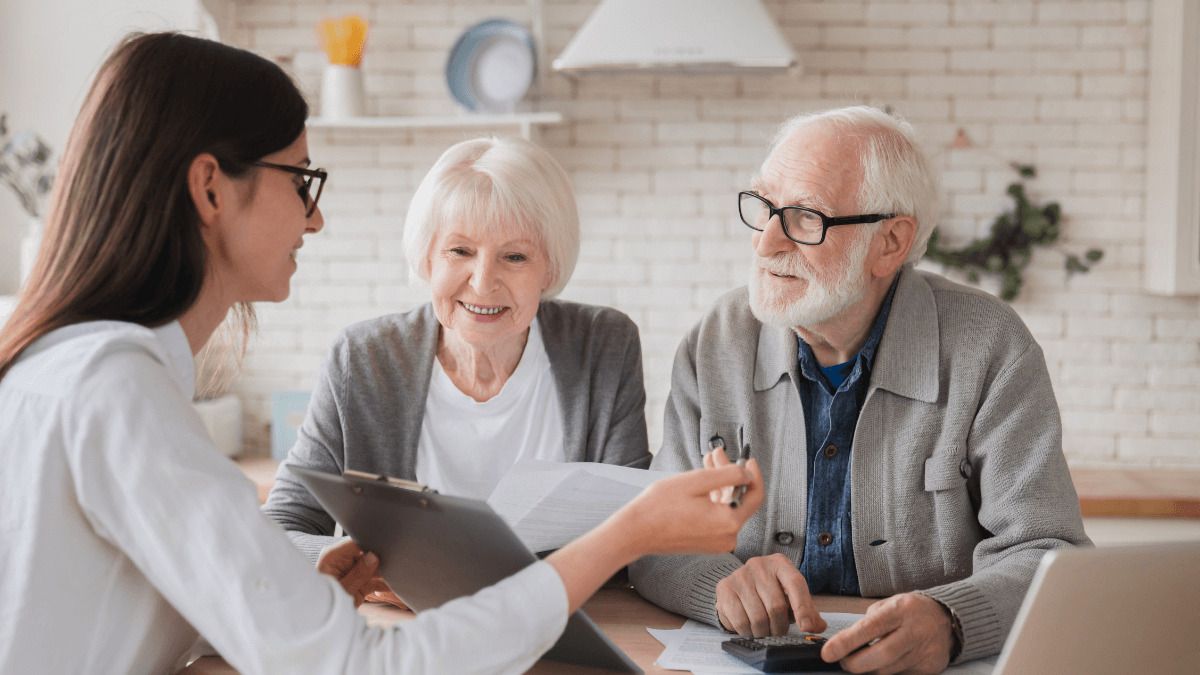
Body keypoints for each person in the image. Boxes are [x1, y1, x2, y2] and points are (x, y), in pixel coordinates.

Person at [0, 32, 764, 674]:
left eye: (515, 257)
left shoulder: (69, 370)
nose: (317, 215)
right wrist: (629, 530)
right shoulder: (116, 392)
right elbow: (363, 666)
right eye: (300, 179)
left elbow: (121, 601)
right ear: (211, 189)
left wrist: (297, 576)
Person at [628, 106, 1090, 672]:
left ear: (891, 242)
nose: (766, 242)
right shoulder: (715, 342)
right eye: (764, 208)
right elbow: (651, 537)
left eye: (804, 217)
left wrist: (952, 619)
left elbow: (1050, 551)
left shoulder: (991, 348)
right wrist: (721, 586)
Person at [263, 135, 651, 606]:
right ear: (427, 257)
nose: (483, 282)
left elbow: (634, 528)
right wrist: (344, 562)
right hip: (408, 633)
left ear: (549, 268)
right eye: (460, 251)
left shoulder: (603, 346)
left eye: (515, 256)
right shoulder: (362, 359)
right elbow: (285, 523)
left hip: (558, 625)